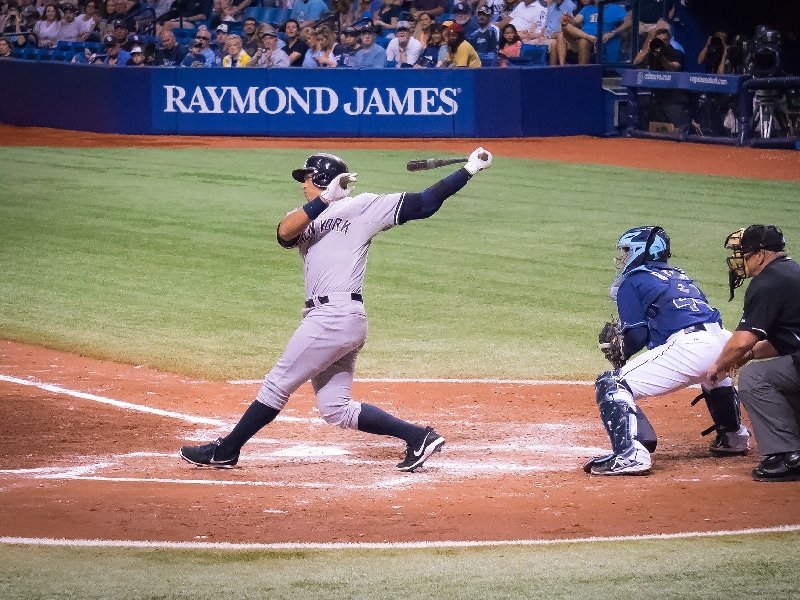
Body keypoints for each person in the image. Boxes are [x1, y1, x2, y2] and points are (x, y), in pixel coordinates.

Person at [180, 148, 494, 472]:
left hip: (335, 317)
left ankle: (227, 450)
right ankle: (419, 437)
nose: (302, 183)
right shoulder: (307, 213)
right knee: (335, 409)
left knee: (277, 384)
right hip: (335, 320)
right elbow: (283, 234)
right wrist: (323, 200)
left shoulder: (362, 207)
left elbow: (424, 203)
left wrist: (468, 170)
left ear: (320, 177)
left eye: (306, 178)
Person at [583, 226, 750, 476]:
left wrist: (623, 354)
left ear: (642, 251)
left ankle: (630, 455)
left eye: (627, 251)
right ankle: (734, 436)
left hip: (691, 347)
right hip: (723, 341)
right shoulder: (679, 276)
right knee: (712, 375)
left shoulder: (634, 280)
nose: (623, 257)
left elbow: (637, 334)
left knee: (611, 384)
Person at [707, 225, 800, 482]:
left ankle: (787, 456)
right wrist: (748, 354)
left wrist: (720, 365)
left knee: (755, 379)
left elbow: (741, 341)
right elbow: (788, 340)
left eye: (745, 254)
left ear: (761, 255)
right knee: (782, 370)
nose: (742, 261)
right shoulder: (792, 273)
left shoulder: (767, 282)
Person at [557, 0, 629, 65]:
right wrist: (568, 18)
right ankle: (589, 37)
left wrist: (613, 33)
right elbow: (575, 21)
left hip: (597, 38)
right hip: (583, 36)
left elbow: (629, 21)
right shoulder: (587, 8)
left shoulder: (615, 8)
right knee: (565, 25)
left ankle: (581, 73)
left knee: (583, 41)